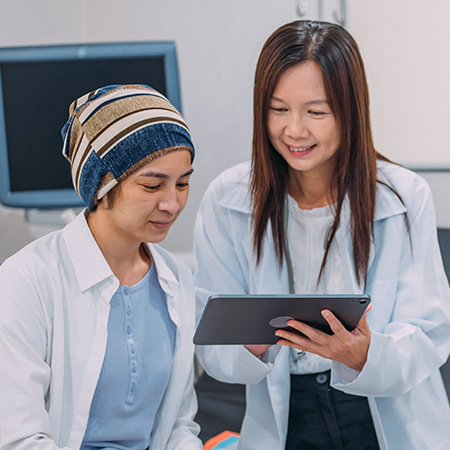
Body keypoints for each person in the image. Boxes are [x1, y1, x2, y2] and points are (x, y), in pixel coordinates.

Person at [194, 20, 450, 450]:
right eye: (278, 109)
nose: (294, 130)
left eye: (316, 112)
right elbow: (212, 343)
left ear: (350, 111)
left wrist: (364, 355)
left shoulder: (404, 198)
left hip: (379, 409)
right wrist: (251, 345)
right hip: (287, 410)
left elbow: (429, 336)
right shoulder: (228, 200)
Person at [0, 84, 203, 450]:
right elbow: (20, 439)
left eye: (183, 183)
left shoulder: (177, 280)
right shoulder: (27, 281)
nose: (172, 203)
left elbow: (179, 425)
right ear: (101, 186)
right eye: (152, 185)